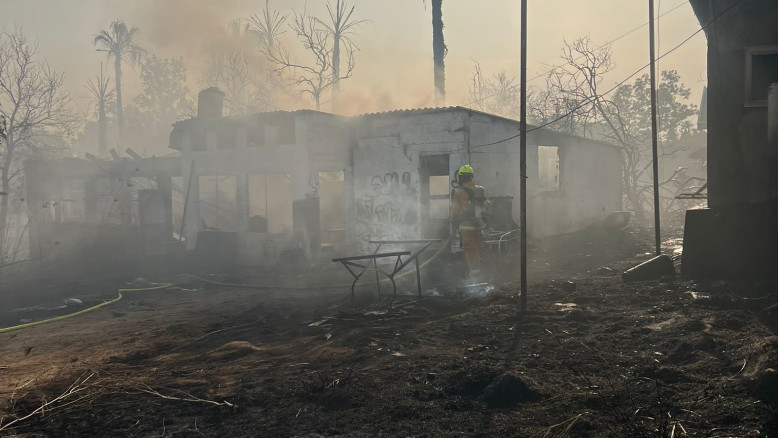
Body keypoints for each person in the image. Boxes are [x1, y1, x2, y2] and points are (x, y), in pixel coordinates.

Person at [451, 164, 490, 278]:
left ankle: (474, 274)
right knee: (479, 247)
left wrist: (453, 220)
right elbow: (486, 205)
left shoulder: (459, 192)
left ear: (461, 177)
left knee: (469, 249)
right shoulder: (480, 189)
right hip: (479, 225)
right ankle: (483, 271)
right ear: (471, 177)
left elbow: (455, 210)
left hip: (466, 225)